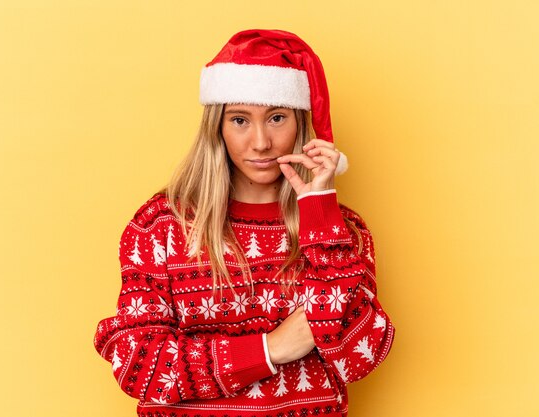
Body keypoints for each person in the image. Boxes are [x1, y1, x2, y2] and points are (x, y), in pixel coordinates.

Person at [93, 29, 395, 417]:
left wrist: (321, 210)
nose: (260, 142)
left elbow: (359, 356)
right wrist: (271, 348)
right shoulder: (160, 226)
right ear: (217, 127)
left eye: (276, 118)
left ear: (301, 124)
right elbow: (138, 362)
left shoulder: (343, 230)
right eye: (239, 120)